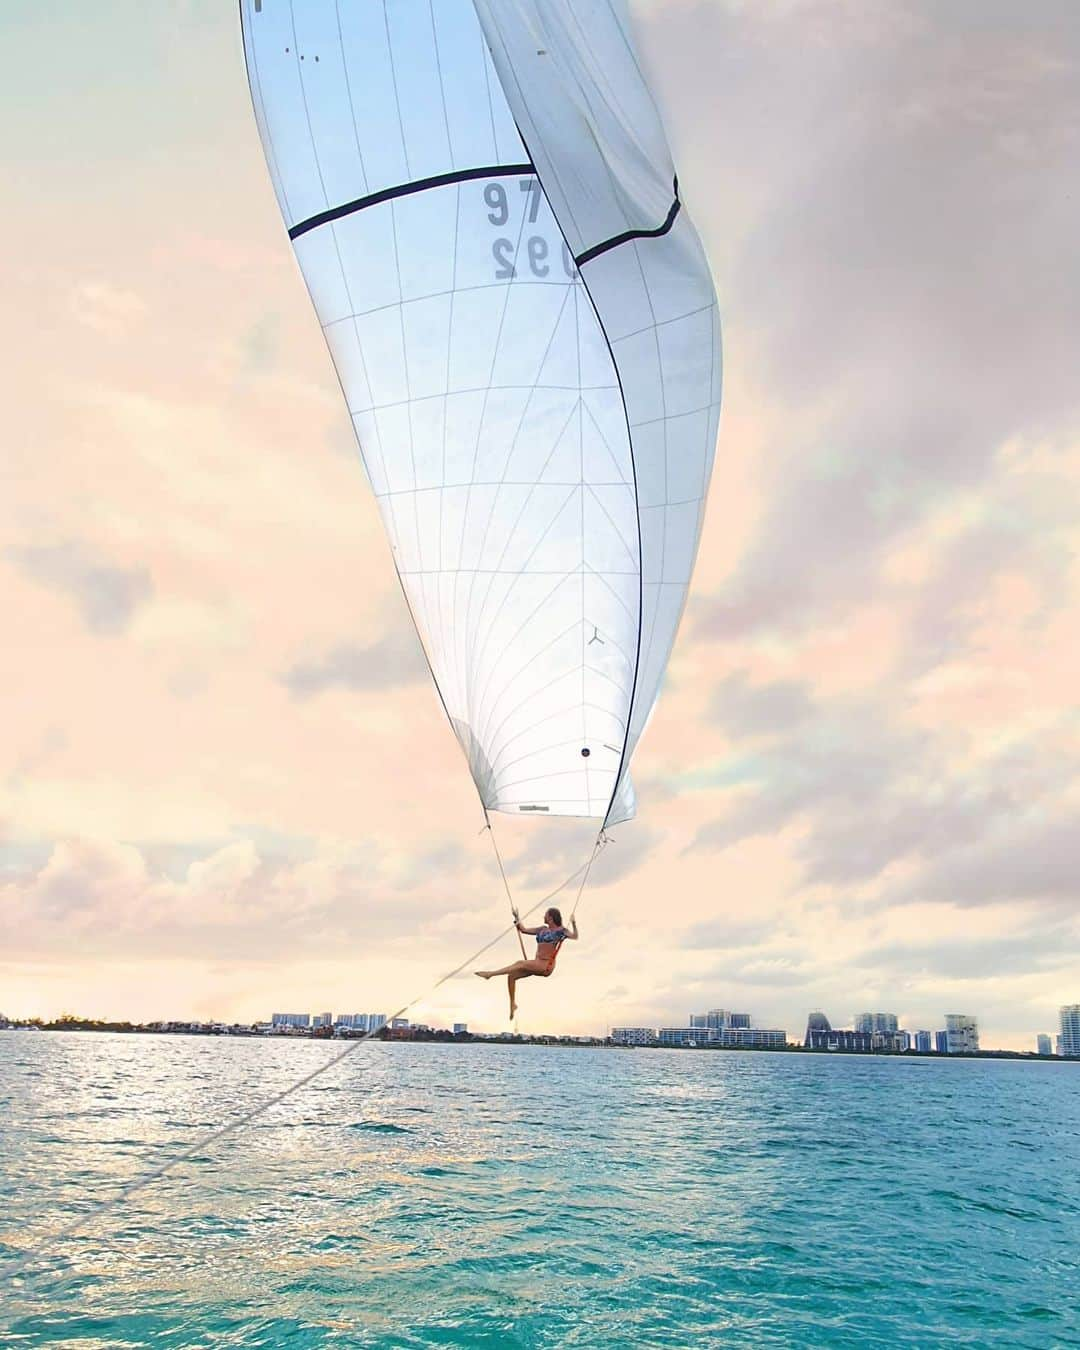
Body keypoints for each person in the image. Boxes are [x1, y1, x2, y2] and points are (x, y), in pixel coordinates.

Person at [475, 907, 578, 1019]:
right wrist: (516, 916)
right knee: (511, 976)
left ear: (551, 918)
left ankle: (490, 974)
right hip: (536, 963)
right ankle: (512, 1004)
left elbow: (575, 936)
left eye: (545, 915)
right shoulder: (542, 929)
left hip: (546, 966)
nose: (543, 917)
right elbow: (523, 929)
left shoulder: (561, 931)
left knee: (520, 963)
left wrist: (573, 923)